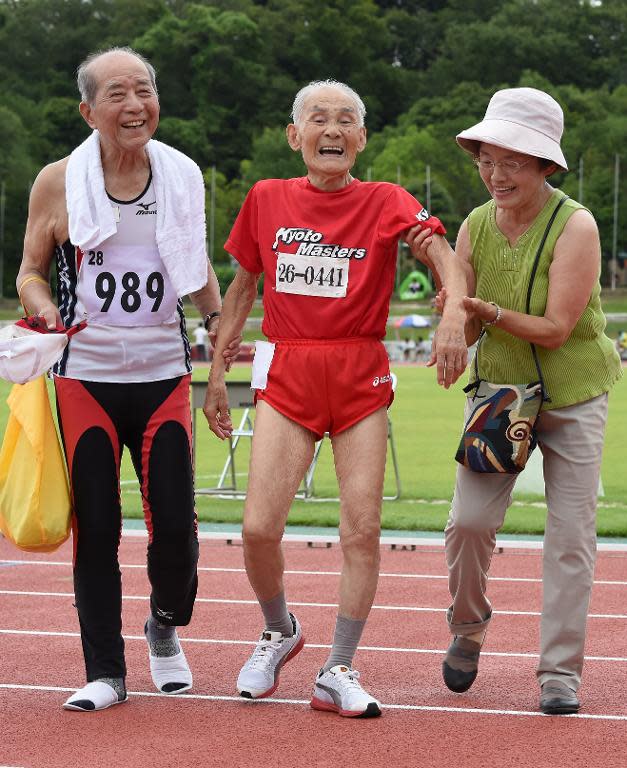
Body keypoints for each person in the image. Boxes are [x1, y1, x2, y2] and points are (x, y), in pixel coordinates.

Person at [204, 79, 468, 718]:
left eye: (345, 120)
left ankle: (337, 669)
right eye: (317, 119)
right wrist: (217, 371)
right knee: (258, 527)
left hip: (358, 374)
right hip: (289, 369)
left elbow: (442, 252)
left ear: (361, 138)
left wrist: (454, 310)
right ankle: (279, 629)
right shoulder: (267, 199)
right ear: (295, 137)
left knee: (363, 529)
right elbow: (242, 288)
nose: (332, 130)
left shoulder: (384, 200)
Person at [16, 46, 236, 712]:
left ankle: (164, 629)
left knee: (174, 528)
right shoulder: (58, 181)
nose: (134, 105)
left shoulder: (181, 175)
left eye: (144, 90)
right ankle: (105, 671)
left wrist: (220, 346)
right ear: (89, 110)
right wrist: (41, 304)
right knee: (98, 528)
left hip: (163, 374)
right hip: (84, 376)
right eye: (117, 94)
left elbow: (194, 270)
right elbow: (29, 270)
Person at [417, 87, 622, 715]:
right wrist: (455, 324)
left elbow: (559, 328)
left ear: (544, 165)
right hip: (502, 393)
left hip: (574, 394)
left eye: (512, 161)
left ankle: (560, 672)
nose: (494, 173)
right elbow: (472, 317)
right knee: (469, 523)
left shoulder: (576, 224)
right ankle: (467, 627)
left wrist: (484, 311)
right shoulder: (476, 223)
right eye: (486, 158)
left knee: (570, 537)